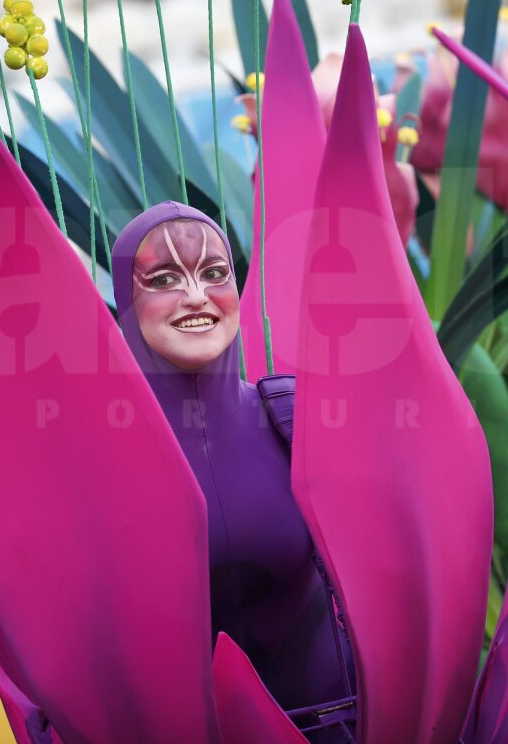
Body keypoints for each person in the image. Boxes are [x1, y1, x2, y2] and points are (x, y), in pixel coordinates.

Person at [111, 202, 356, 742]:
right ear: (126, 303)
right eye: (165, 278)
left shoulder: (293, 418)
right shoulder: (98, 454)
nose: (196, 296)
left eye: (214, 273)